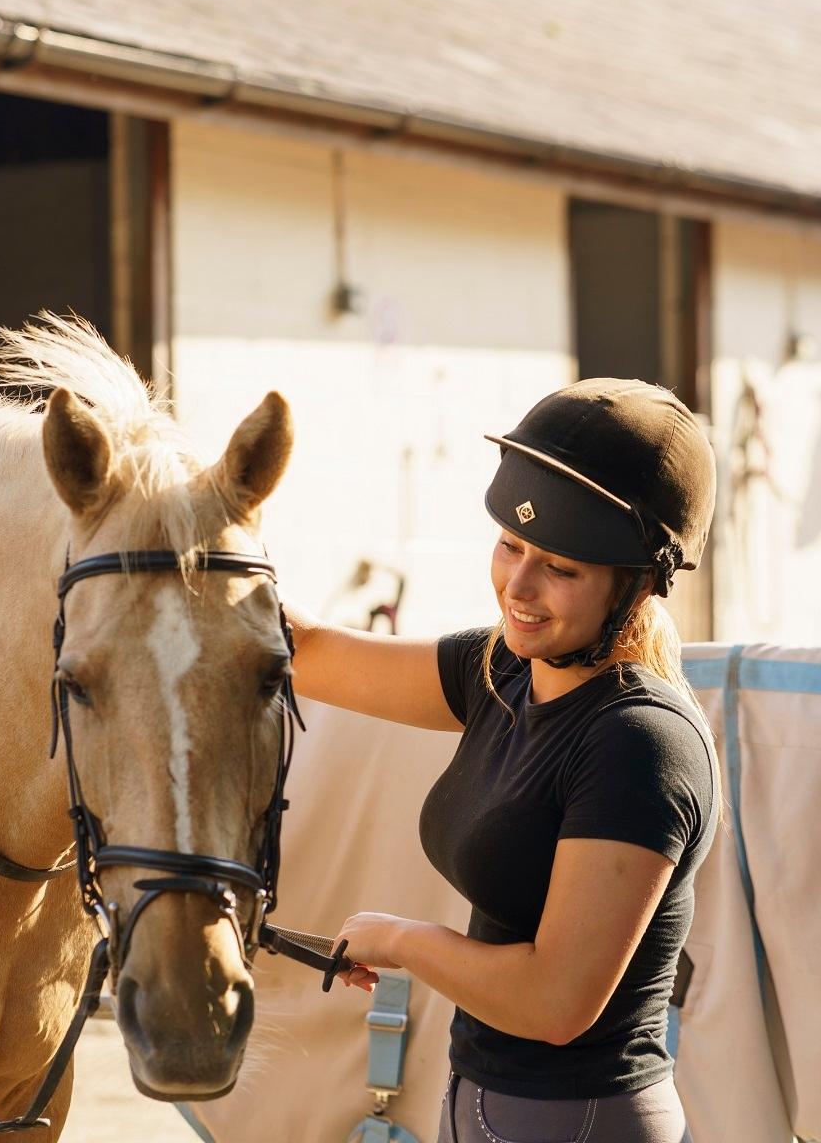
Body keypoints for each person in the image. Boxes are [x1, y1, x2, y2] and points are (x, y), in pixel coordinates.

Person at [286, 378, 721, 1143]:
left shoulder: (639, 745)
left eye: (560, 567)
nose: (517, 587)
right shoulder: (500, 673)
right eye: (510, 545)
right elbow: (310, 654)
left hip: (582, 1122)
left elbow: (555, 1004)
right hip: (481, 1105)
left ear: (639, 584)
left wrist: (399, 939)